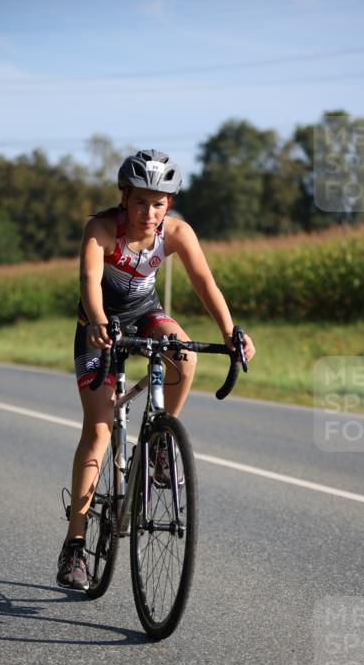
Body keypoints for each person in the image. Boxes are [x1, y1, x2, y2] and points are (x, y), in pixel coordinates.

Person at [57, 149, 256, 591]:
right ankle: (75, 544)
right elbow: (90, 282)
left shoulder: (178, 231)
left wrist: (230, 332)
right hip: (99, 323)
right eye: (141, 202)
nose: (150, 212)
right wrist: (98, 322)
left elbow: (206, 282)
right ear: (124, 198)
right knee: (100, 430)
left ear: (169, 203)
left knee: (184, 355)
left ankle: (162, 442)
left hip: (145, 311)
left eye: (159, 202)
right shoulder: (102, 229)